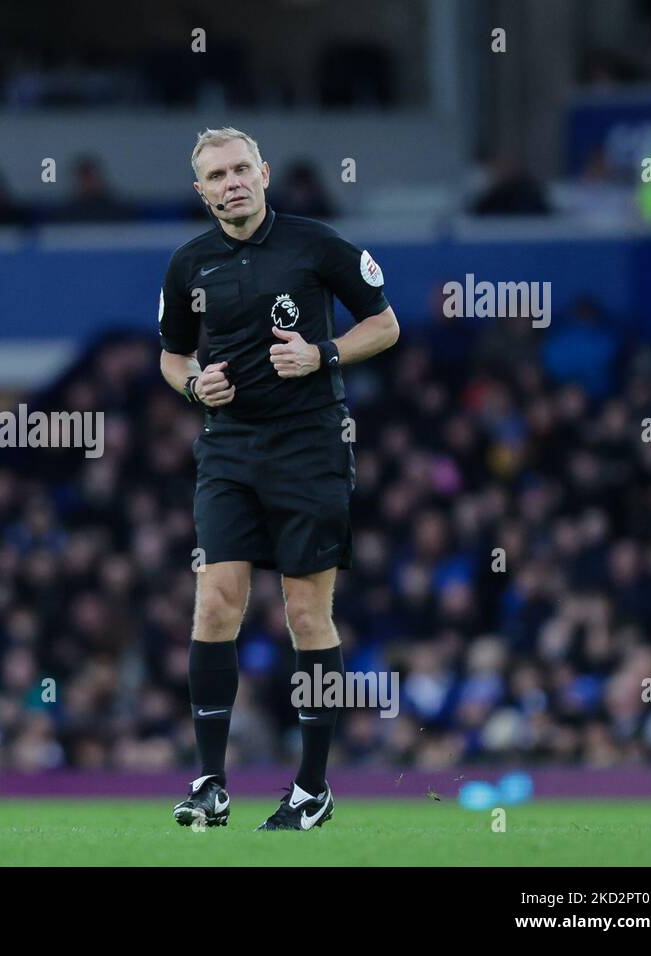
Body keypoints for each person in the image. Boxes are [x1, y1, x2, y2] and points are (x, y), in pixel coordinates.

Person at [158, 128, 399, 830]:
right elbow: (172, 357)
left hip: (309, 445)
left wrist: (323, 353)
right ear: (201, 191)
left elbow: (384, 325)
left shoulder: (315, 244)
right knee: (214, 604)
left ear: (263, 174)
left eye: (241, 169)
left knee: (306, 614)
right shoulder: (189, 264)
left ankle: (311, 789)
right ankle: (210, 783)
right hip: (228, 448)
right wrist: (195, 386)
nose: (231, 183)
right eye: (216, 176)